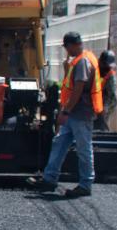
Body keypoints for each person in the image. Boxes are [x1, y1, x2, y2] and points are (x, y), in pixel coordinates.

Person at [39, 32, 101, 197]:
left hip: (80, 113)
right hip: (74, 113)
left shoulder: (82, 62)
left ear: (73, 45)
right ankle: (49, 179)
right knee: (59, 143)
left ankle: (86, 184)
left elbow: (78, 89)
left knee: (83, 149)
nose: (66, 51)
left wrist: (66, 111)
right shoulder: (78, 61)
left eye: (66, 47)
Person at [94, 49, 117, 131]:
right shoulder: (93, 69)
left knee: (101, 130)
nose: (106, 68)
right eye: (104, 65)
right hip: (90, 107)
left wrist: (105, 108)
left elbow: (113, 98)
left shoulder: (110, 76)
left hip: (101, 109)